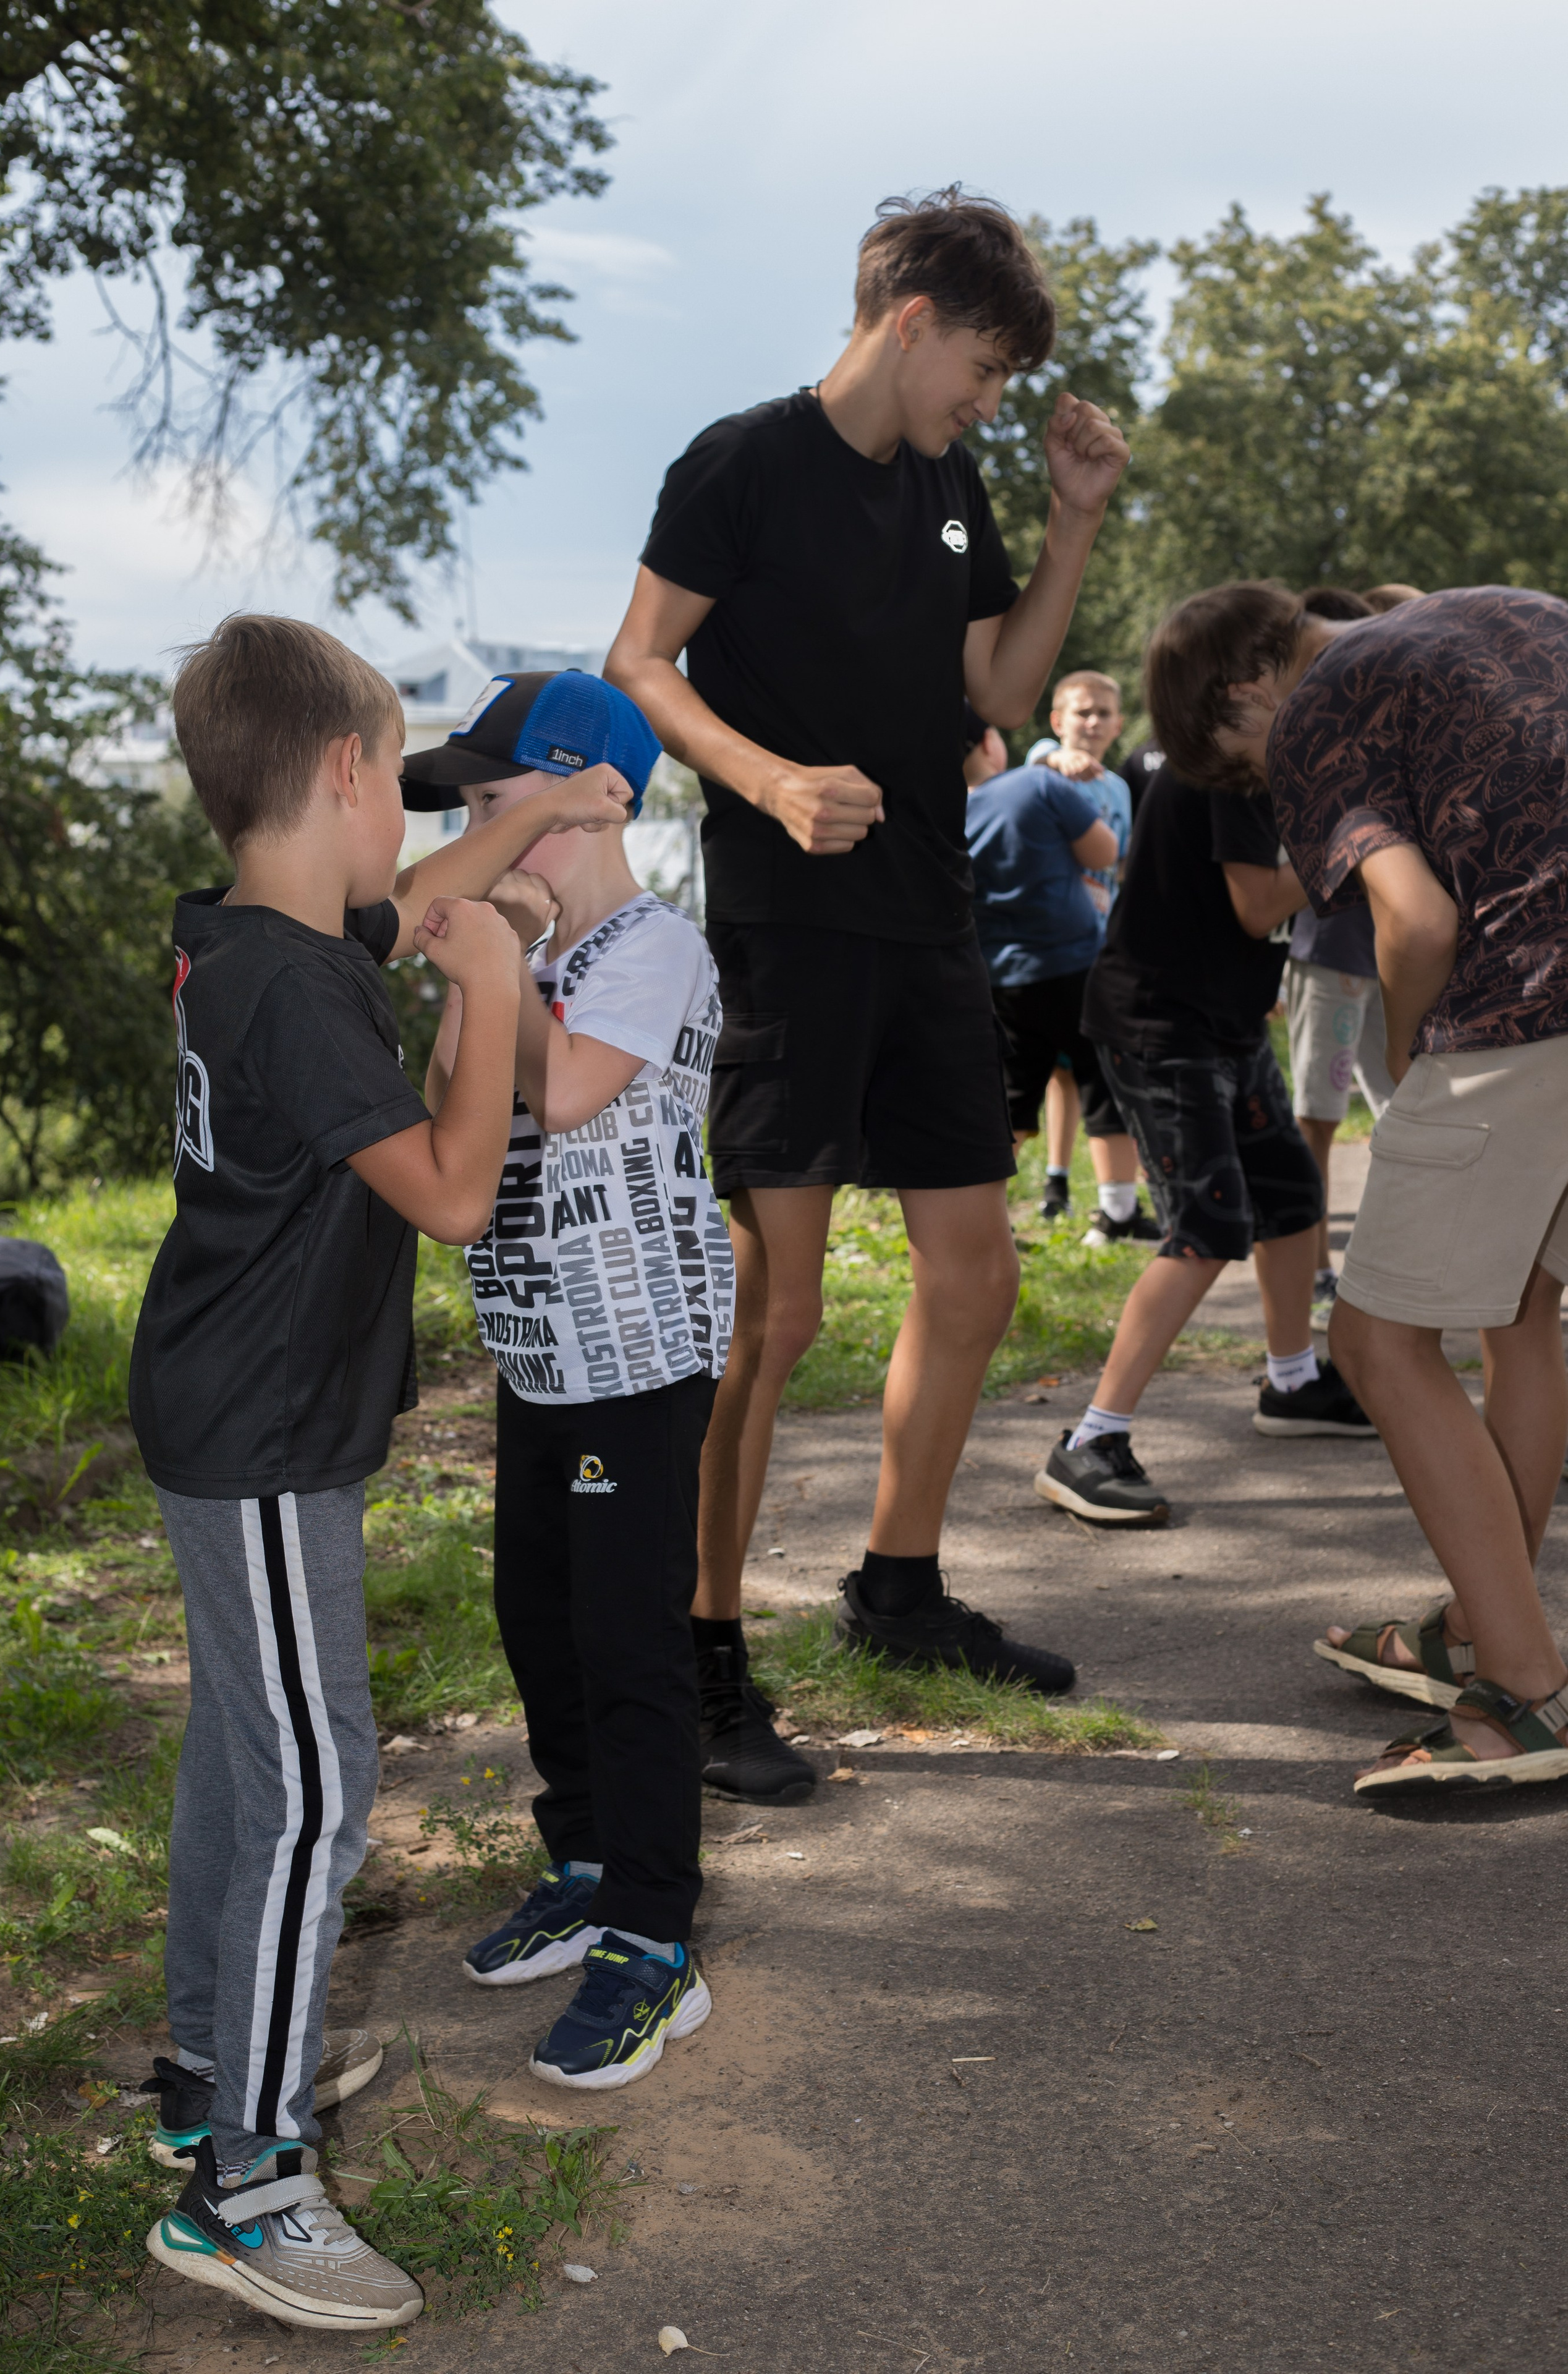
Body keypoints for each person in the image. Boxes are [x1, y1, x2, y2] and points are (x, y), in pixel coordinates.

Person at [128, 619, 631, 2329]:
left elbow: (418, 890)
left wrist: (535, 809)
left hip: (236, 1412)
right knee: (318, 1786)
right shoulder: (293, 989)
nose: (414, 857)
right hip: (262, 1433)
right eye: (393, 786)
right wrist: (494, 988)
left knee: (242, 1743)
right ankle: (250, 2182)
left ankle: (207, 2059)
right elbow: (452, 1193)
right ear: (348, 772)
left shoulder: (254, 934)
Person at [606, 187, 1130, 1800]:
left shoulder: (957, 487)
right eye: (981, 366)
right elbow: (639, 661)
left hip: (928, 928)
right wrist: (766, 783)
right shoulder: (742, 462)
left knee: (971, 1280)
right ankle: (697, 1656)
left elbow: (996, 690)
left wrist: (1072, 524)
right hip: (791, 925)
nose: (988, 398)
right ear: (913, 324)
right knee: (779, 1310)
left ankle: (896, 1589)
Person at [1151, 579, 1568, 1795]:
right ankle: (1479, 1624)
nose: (1257, 787)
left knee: (1378, 1342)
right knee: (1520, 1312)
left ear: (1241, 693)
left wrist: (1405, 1052)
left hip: (1525, 1000)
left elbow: (1415, 916)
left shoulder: (1312, 711)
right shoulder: (1492, 607)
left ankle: (1523, 1700)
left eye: (1237, 770)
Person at [410, 672, 732, 2083]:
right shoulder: (528, 948)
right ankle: (590, 1856)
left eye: (493, 805)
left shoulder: (656, 947)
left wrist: (503, 963)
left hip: (638, 1365)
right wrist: (487, 967)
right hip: (539, 1353)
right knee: (537, 1616)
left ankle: (655, 1936)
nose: (478, 836)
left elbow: (568, 1091)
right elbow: (448, 1096)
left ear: (582, 798)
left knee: (627, 1641)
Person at [1036, 739, 1375, 1528]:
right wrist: (1359, 845)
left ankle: (1292, 1386)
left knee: (1291, 1198)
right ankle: (1090, 1440)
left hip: (1224, 1024)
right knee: (1208, 1223)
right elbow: (1258, 903)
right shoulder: (1231, 769)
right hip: (1162, 1026)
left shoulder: (1275, 765)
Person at [964, 724, 1146, 1259]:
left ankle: (984, 1224)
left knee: (1013, 1101)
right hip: (1074, 966)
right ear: (989, 742)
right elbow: (1104, 853)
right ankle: (1117, 1212)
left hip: (1001, 978)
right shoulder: (1037, 787)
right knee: (1103, 1084)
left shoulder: (944, 812)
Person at [1285, 589, 1412, 1329]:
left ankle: (1392, 1263)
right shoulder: (1315, 725)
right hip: (1330, 955)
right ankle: (1316, 1265)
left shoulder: (1397, 720)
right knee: (1319, 1114)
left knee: (1405, 1110)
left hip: (1387, 957)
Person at [1020, 671, 1159, 1242]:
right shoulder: (1043, 766)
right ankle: (1044, 1186)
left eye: (1104, 713)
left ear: (1121, 724)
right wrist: (1054, 757)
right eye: (1081, 713)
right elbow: (1033, 769)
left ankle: (1117, 1209)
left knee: (1105, 1073)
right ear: (1058, 720)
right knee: (1041, 1076)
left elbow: (1121, 863)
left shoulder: (1122, 788)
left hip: (1101, 949)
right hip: (1044, 951)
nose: (1093, 723)